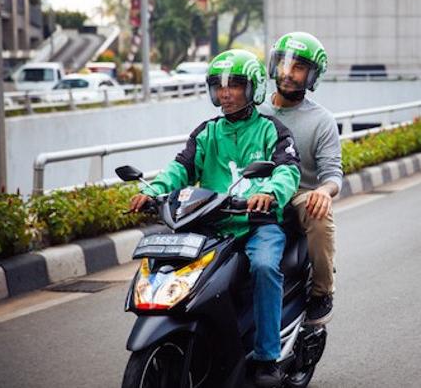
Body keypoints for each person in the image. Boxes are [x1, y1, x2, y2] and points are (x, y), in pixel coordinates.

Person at [128, 49, 300, 387]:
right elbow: (180, 168)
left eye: (234, 85)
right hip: (210, 225)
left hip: (257, 226)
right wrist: (154, 191)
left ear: (253, 89)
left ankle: (267, 359)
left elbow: (287, 171)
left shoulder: (271, 130)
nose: (225, 93)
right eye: (219, 86)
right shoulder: (207, 133)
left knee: (265, 266)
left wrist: (270, 194)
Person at [259, 32, 342, 326]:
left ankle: (322, 291)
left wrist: (323, 191)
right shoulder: (254, 110)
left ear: (312, 75)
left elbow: (333, 174)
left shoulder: (322, 121)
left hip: (298, 194)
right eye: (284, 64)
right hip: (253, 192)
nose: (288, 73)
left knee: (317, 209)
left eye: (298, 67)